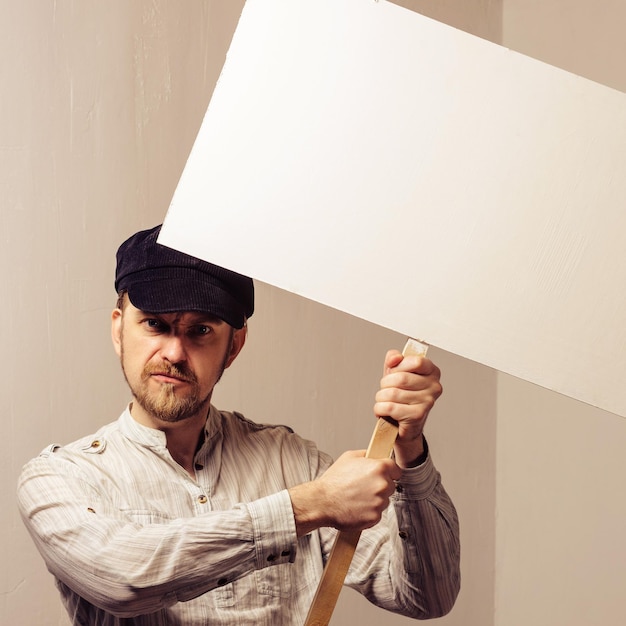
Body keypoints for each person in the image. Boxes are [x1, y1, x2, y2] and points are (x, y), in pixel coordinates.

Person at [18, 225, 460, 625]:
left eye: (201, 331)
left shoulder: (293, 461)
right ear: (119, 330)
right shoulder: (61, 478)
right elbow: (122, 579)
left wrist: (410, 447)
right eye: (154, 324)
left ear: (234, 346)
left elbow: (426, 598)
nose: (174, 352)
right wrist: (306, 507)